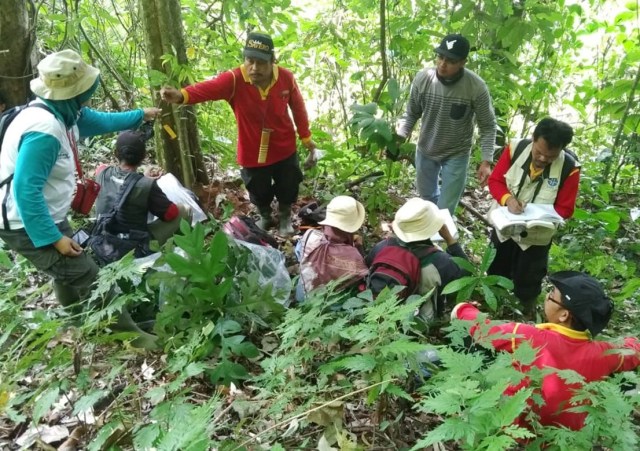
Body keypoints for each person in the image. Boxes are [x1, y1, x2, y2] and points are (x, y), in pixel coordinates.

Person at [0, 49, 160, 348]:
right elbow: (25, 190)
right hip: (23, 222)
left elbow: (99, 121)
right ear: (73, 93)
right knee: (87, 273)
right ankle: (130, 337)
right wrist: (53, 238)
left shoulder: (62, 113)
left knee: (66, 273)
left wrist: (141, 115)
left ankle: (80, 321)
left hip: (46, 215)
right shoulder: (44, 130)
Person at [161, 31, 317, 236]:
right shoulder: (235, 79)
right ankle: (265, 216)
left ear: (273, 61)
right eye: (249, 61)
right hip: (252, 151)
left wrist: (306, 138)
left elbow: (298, 107)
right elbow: (209, 88)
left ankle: (285, 214)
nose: (254, 68)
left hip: (284, 147)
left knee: (288, 182)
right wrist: (181, 95)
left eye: (261, 62)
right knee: (257, 188)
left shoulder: (285, 78)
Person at [451, 271, 640, 430]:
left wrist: (463, 308)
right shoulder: (604, 353)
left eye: (551, 295)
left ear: (564, 315)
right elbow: (634, 351)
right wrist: (631, 341)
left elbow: (484, 329)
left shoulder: (529, 336)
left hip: (519, 430)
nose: (547, 297)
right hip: (568, 438)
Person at [396, 34, 497, 216]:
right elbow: (411, 113)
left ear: (463, 62)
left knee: (445, 209)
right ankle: (428, 238)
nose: (443, 64)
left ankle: (441, 238)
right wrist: (398, 138)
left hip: (456, 154)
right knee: (427, 201)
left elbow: (488, 125)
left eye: (450, 60)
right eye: (440, 57)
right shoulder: (423, 79)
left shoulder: (476, 87)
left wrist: (486, 161)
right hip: (426, 148)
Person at [487, 118, 579, 316]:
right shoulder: (515, 149)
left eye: (551, 156)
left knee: (529, 277)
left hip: (537, 235)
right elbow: (495, 181)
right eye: (539, 152)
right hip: (505, 226)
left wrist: (541, 215)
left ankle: (523, 312)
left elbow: (566, 208)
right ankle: (492, 307)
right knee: (496, 266)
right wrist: (508, 199)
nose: (543, 159)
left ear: (562, 149)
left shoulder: (569, 168)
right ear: (533, 139)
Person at [366, 197, 470, 319]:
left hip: (375, 311)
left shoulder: (382, 247)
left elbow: (367, 265)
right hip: (419, 320)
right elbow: (466, 276)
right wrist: (451, 241)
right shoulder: (440, 262)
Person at [95, 129, 193, 248]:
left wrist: (142, 179)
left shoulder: (101, 172)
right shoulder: (146, 186)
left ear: (116, 153)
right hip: (131, 245)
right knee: (185, 210)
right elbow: (171, 214)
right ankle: (175, 254)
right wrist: (147, 183)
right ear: (144, 156)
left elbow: (121, 184)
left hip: (102, 239)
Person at [296, 195, 367, 302]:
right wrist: (359, 248)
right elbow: (362, 276)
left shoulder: (309, 235)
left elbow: (298, 253)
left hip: (303, 294)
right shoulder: (352, 255)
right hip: (326, 304)